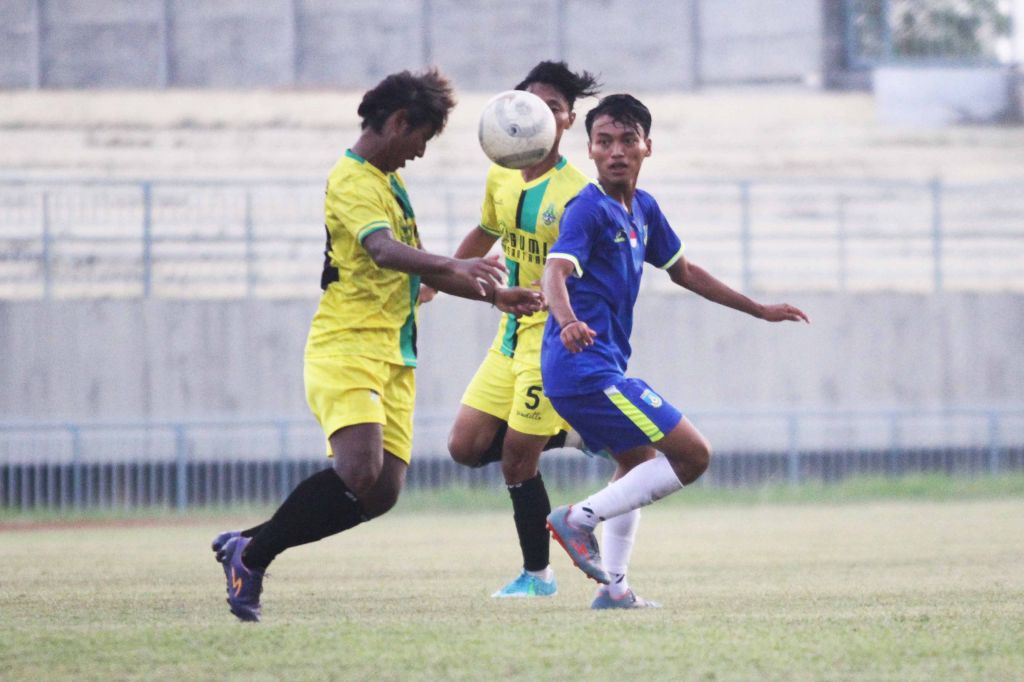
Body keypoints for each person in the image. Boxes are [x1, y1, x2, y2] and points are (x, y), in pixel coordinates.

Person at [210, 68, 543, 623]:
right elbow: (386, 253)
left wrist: (495, 294)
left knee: (382, 493)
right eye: (422, 138)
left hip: (394, 353)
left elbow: (421, 275)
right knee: (358, 471)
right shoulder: (351, 179)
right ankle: (253, 555)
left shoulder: (389, 181)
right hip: (347, 346)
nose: (420, 152)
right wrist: (455, 263)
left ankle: (245, 543)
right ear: (397, 123)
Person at [540, 94, 809, 609]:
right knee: (693, 454)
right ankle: (577, 519)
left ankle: (615, 590)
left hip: (599, 366)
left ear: (647, 146)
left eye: (627, 140)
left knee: (638, 461)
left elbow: (684, 272)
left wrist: (759, 309)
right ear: (591, 152)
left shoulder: (643, 209)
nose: (616, 151)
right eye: (604, 142)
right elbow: (553, 272)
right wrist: (568, 320)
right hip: (582, 369)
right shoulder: (588, 209)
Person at [440, 61, 600, 598]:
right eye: (532, 106)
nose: (542, 117)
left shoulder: (578, 193)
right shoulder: (500, 173)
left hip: (551, 341)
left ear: (569, 121)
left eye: (553, 108)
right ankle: (572, 433)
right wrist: (436, 280)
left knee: (515, 458)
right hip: (507, 335)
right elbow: (485, 232)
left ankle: (538, 576)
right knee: (465, 447)